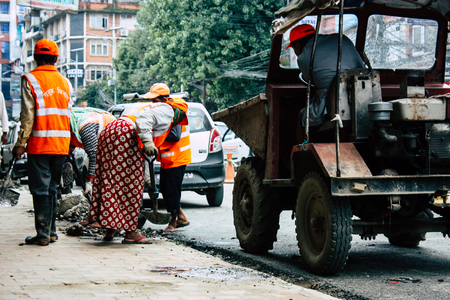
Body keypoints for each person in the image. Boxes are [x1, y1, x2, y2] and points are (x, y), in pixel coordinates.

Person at [86, 87, 186, 243]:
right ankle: (131, 233)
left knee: (113, 182)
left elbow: (145, 157)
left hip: (111, 130)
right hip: (126, 134)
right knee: (131, 186)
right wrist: (147, 141)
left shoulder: (148, 106)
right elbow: (143, 121)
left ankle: (110, 230)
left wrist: (148, 181)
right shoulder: (168, 109)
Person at [12, 39, 73, 246]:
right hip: (61, 144)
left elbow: (27, 115)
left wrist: (20, 143)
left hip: (40, 144)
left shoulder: (29, 79)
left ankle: (43, 234)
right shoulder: (66, 82)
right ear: (56, 58)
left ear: (36, 58)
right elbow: (68, 115)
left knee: (40, 189)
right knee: (53, 188)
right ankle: (52, 232)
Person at [286, 24, 366, 143]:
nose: (296, 52)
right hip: (361, 98)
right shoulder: (342, 39)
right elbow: (362, 67)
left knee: (302, 116)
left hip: (333, 103)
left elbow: (312, 81)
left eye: (294, 48)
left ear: (297, 45)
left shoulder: (304, 57)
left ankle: (302, 154)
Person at [143, 83, 190, 235]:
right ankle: (181, 217)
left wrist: (154, 136)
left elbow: (174, 135)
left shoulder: (174, 112)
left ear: (163, 99)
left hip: (176, 158)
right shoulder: (165, 111)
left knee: (172, 191)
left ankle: (173, 222)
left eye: (155, 100)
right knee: (166, 189)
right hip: (168, 159)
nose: (153, 104)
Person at [69, 107, 116, 198]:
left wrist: (89, 181)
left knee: (106, 178)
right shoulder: (72, 125)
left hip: (112, 137)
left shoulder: (85, 127)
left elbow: (94, 155)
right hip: (101, 144)